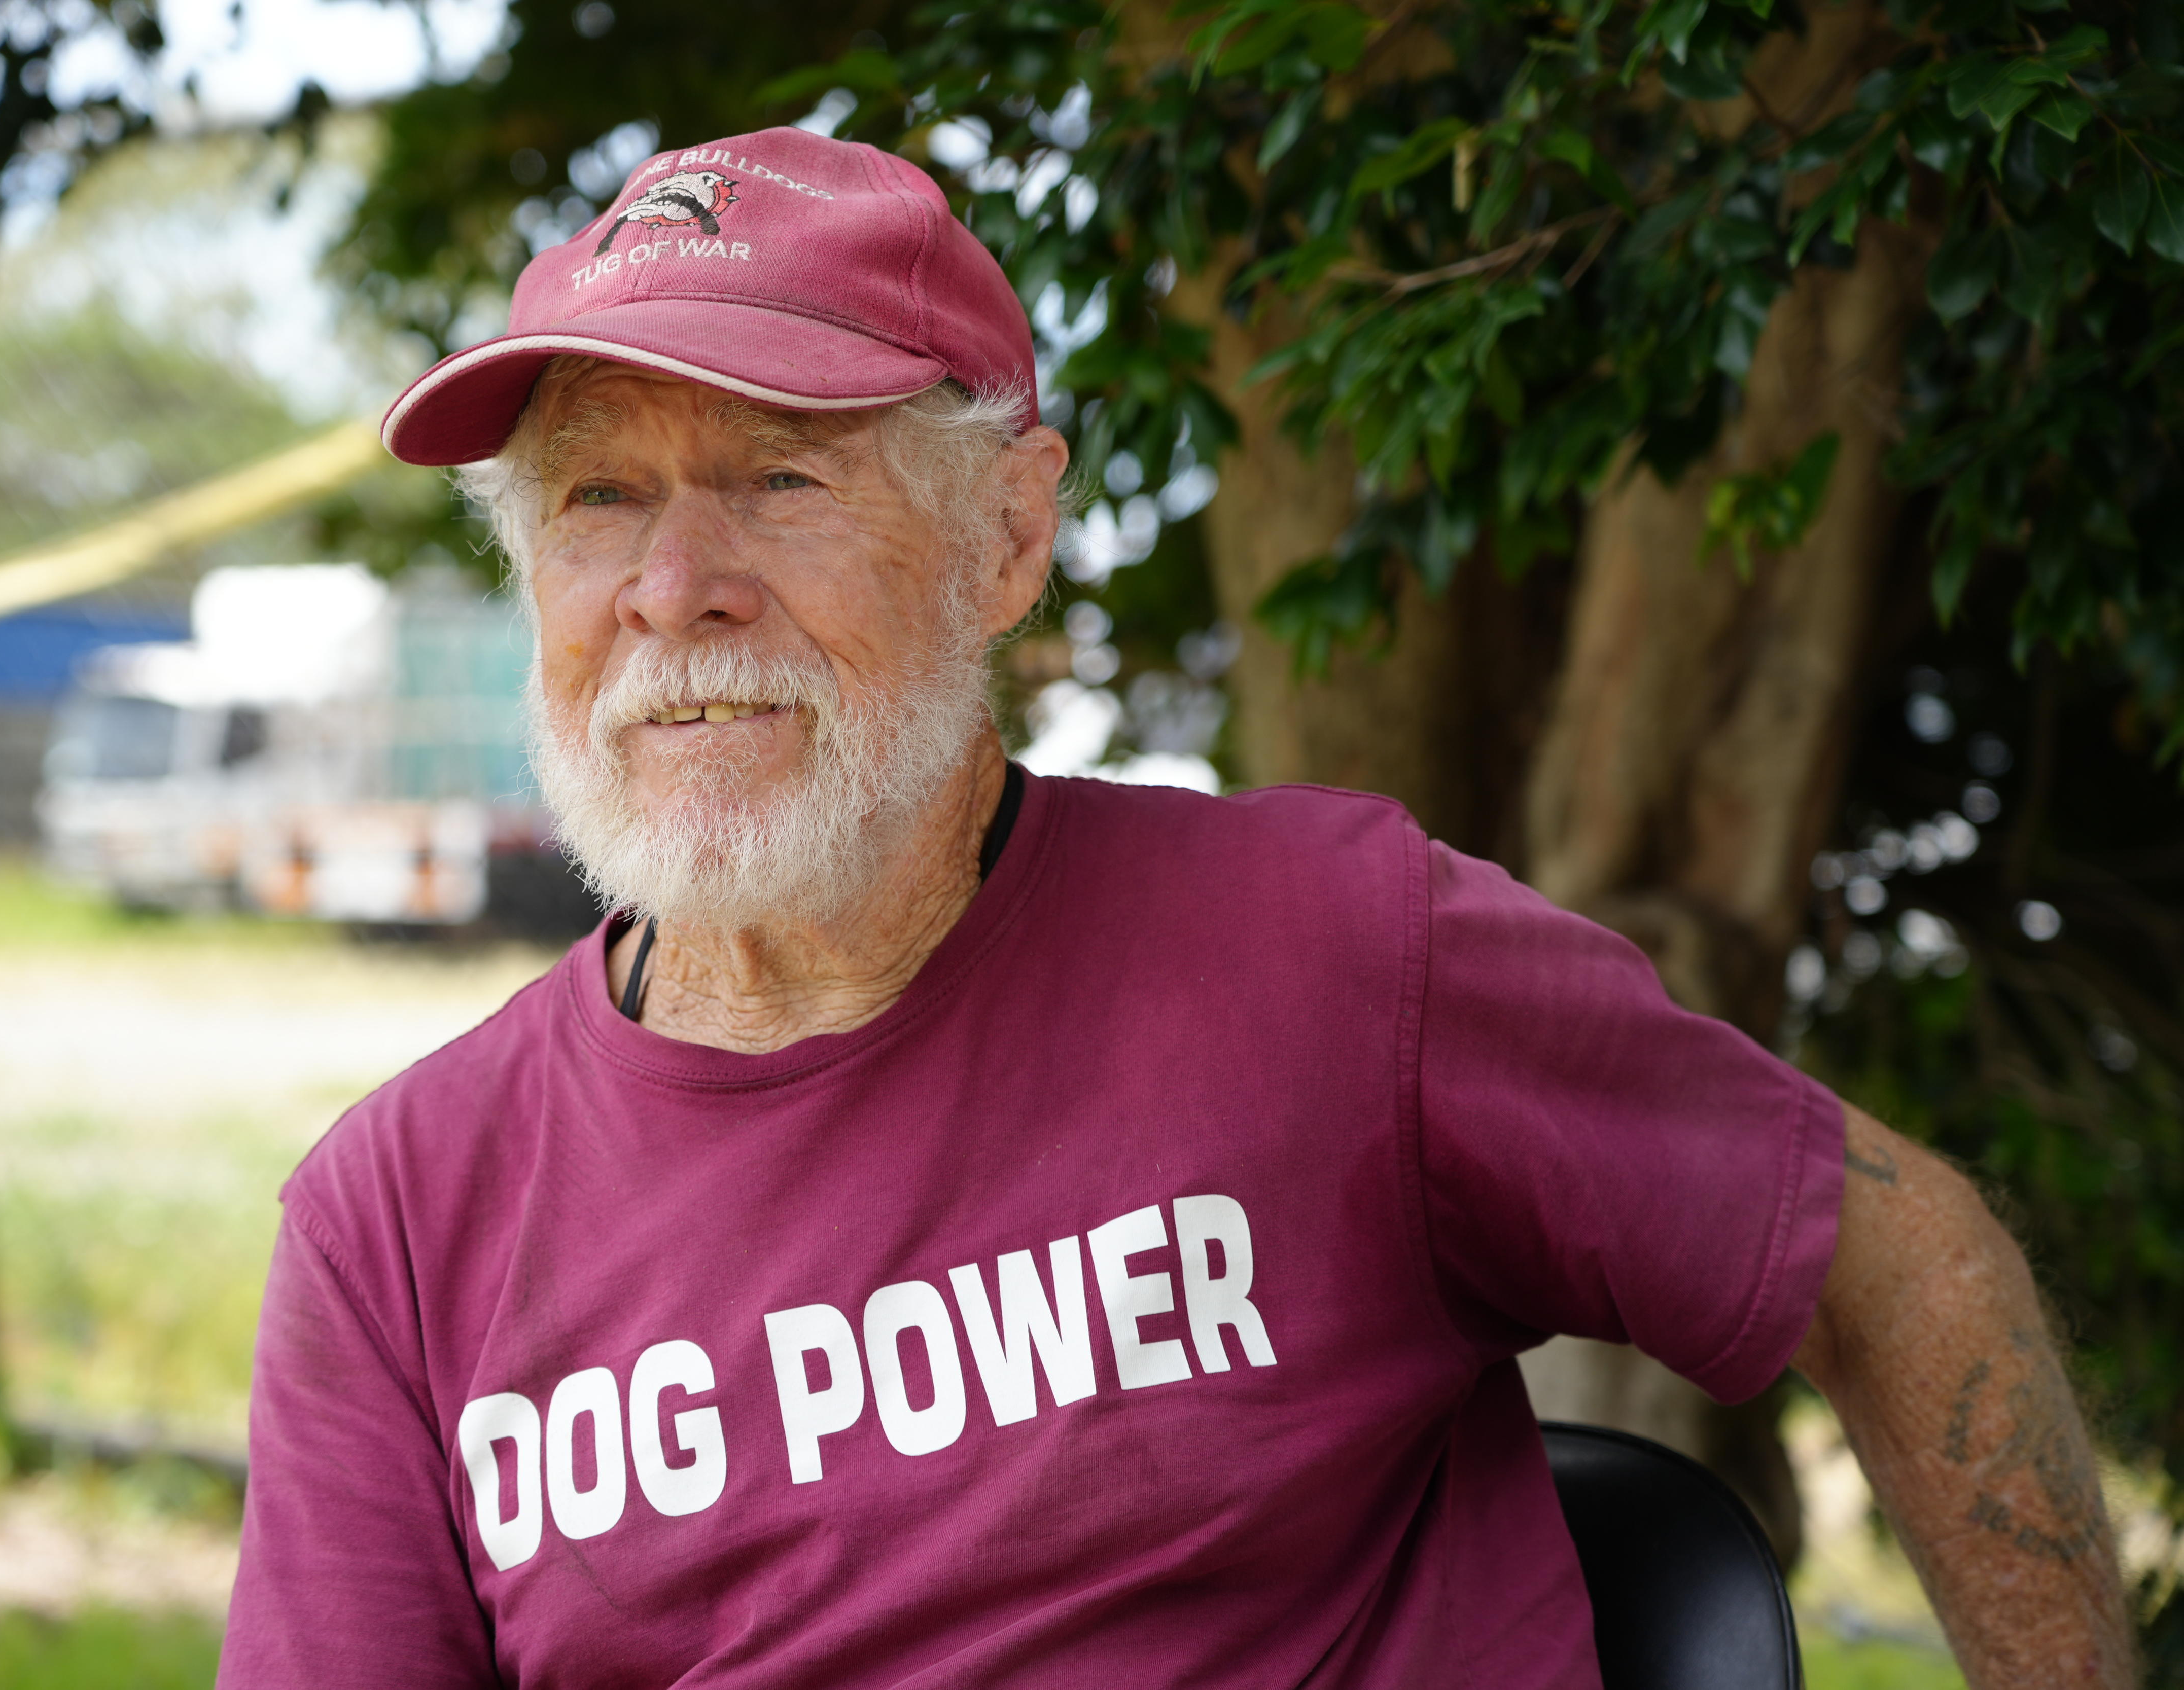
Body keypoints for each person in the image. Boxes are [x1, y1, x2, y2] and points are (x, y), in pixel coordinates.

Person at [217, 127, 2133, 1689]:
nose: (674, 587)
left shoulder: (1337, 955)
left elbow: (1900, 1258)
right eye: (596, 502)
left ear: (1010, 538)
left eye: (782, 476)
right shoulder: (397, 1225)